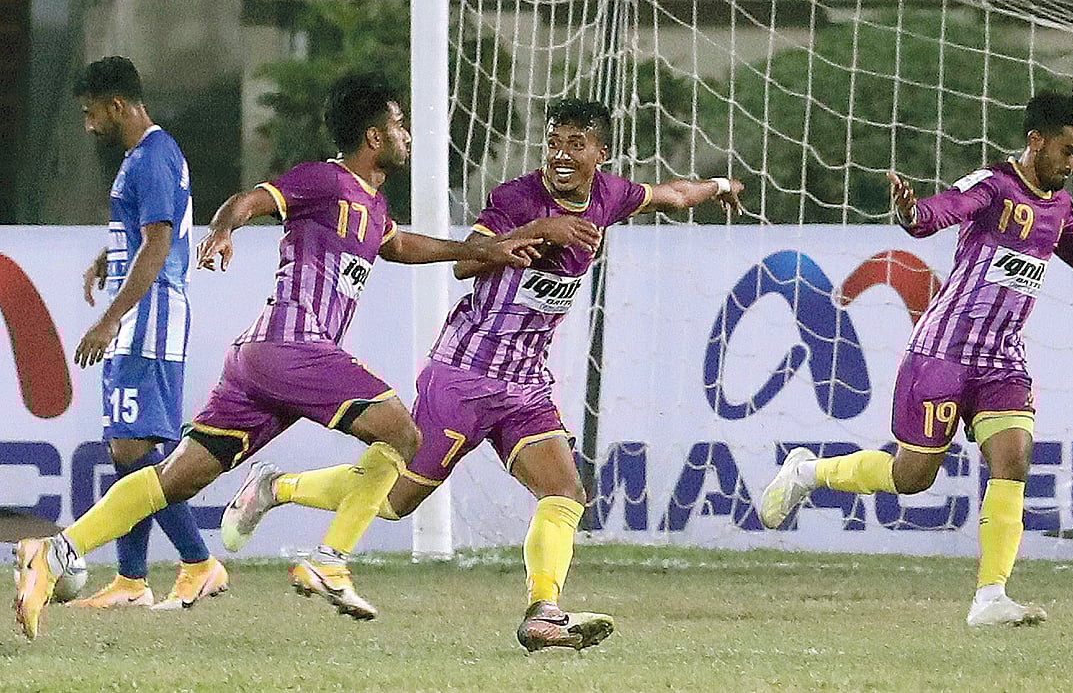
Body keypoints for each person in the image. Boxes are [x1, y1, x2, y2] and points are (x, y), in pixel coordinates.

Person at [13, 71, 539, 640]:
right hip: (294, 346)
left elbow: (402, 244)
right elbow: (251, 200)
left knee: (174, 480)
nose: (406, 133)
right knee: (404, 436)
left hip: (260, 361)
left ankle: (56, 551)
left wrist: (481, 251)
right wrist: (223, 229)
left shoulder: (371, 204)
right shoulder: (324, 180)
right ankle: (331, 559)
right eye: (398, 123)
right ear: (373, 137)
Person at [219, 98, 744, 651]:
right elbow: (468, 262)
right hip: (463, 374)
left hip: (524, 383)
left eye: (575, 145)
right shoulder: (516, 199)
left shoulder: (609, 195)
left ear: (599, 153)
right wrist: (542, 230)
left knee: (564, 490)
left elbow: (672, 194)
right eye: (553, 143)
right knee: (397, 502)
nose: (561, 156)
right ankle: (277, 487)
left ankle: (544, 612)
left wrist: (719, 187)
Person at [759, 91, 1073, 627]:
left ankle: (990, 597)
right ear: (1036, 141)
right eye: (1067, 152)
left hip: (1002, 358)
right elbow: (940, 212)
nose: (1072, 165)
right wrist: (911, 211)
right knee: (913, 477)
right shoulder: (994, 185)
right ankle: (808, 473)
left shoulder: (1060, 208)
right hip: (943, 353)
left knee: (1014, 456)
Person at [68, 56, 226, 611]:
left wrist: (110, 316)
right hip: (144, 314)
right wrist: (105, 257)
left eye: (92, 114)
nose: (89, 125)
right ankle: (133, 581)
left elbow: (159, 245)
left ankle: (197, 561)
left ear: (118, 105)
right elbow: (147, 232)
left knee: (133, 451)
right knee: (127, 450)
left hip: (148, 319)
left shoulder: (152, 158)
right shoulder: (147, 156)